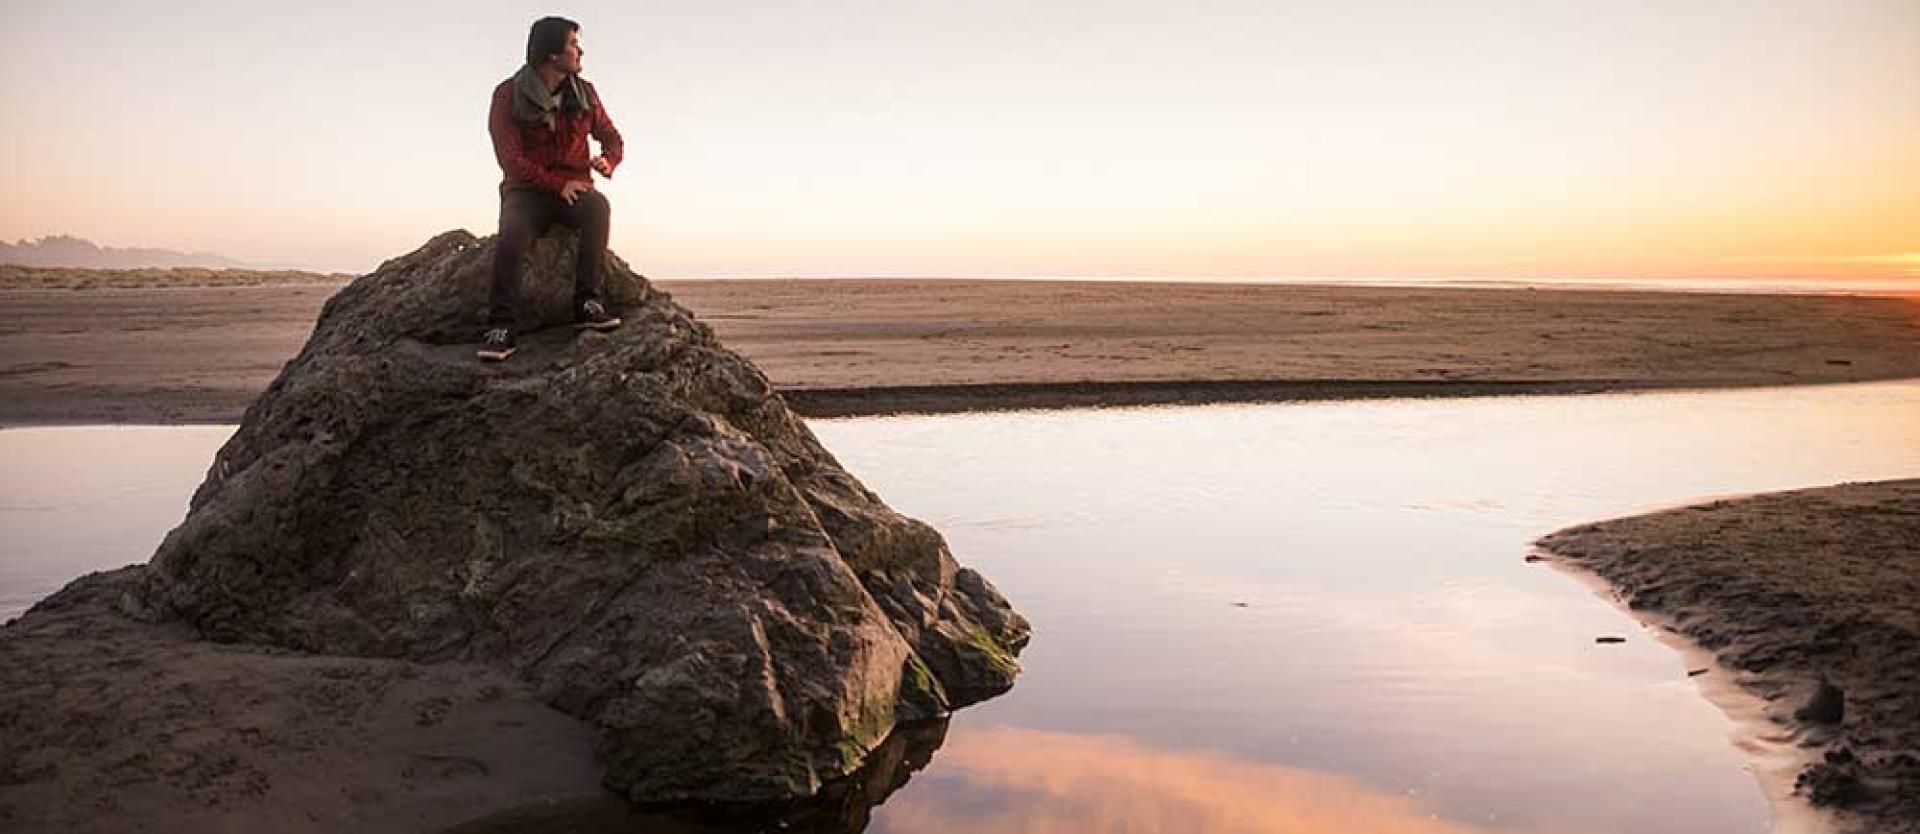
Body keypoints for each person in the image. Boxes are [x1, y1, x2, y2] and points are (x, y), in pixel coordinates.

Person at [479, 16, 625, 362]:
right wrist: (556, 184)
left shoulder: (585, 93)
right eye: (573, 44)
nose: (580, 51)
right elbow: (510, 159)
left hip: (574, 192)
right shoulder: (507, 94)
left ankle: (588, 303)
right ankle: (501, 326)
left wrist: (608, 161)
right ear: (551, 54)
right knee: (512, 230)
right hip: (527, 191)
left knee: (598, 208)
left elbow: (612, 137)